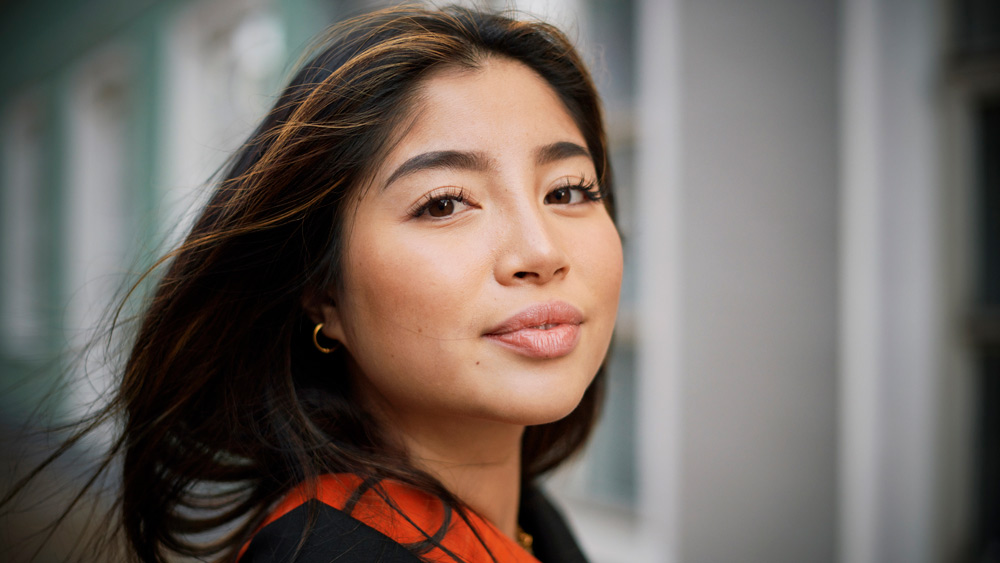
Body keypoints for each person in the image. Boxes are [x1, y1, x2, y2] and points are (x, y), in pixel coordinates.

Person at [10, 4, 623, 562]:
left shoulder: (532, 523)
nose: (541, 251)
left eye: (568, 190)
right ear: (324, 294)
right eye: (443, 204)